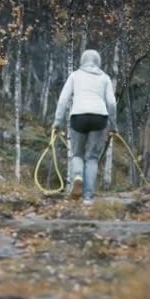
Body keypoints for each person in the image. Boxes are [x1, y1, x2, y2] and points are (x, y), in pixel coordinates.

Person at [52, 49, 117, 206]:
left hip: (78, 117)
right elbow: (112, 103)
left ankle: (77, 177)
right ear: (98, 61)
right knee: (92, 158)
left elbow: (63, 100)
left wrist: (57, 122)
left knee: (78, 154)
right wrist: (113, 125)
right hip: (99, 118)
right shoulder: (105, 78)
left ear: (82, 60)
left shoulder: (75, 76)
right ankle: (88, 197)